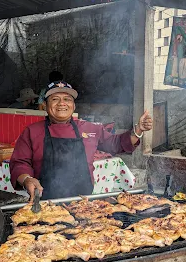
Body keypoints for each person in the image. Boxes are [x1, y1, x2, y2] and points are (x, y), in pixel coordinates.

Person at [10, 81, 153, 201]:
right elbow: (19, 163)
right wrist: (27, 179)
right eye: (55, 99)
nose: (62, 103)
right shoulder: (32, 131)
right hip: (45, 202)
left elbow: (116, 144)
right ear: (45, 106)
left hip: (83, 202)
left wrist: (138, 130)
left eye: (67, 99)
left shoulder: (90, 128)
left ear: (74, 106)